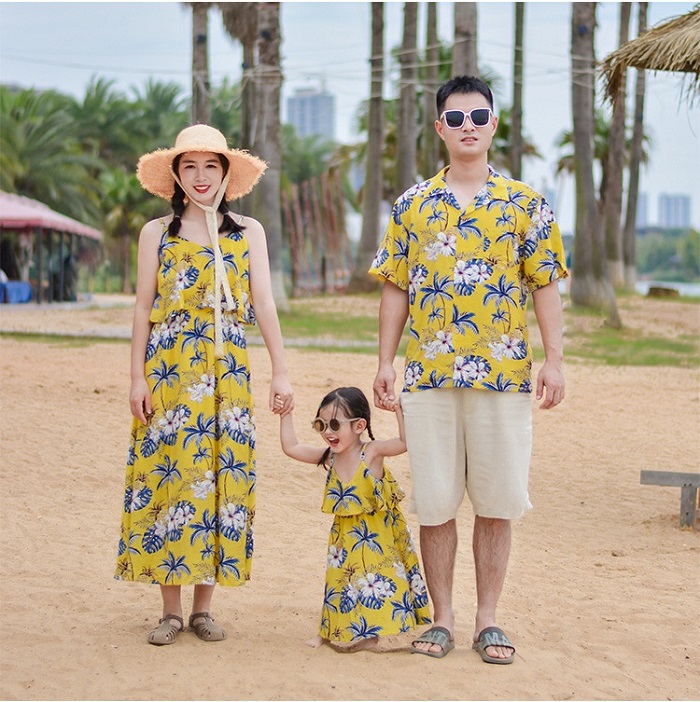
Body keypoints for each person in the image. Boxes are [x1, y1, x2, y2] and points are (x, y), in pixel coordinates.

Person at [369, 75, 568, 663]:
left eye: (478, 116)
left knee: (497, 502)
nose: (468, 127)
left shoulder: (526, 204)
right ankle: (443, 619)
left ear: (493, 123)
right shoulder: (412, 205)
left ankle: (488, 620)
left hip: (503, 377)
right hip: (428, 377)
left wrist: (555, 360)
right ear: (440, 128)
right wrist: (385, 362)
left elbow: (545, 285)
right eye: (455, 119)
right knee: (434, 503)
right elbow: (395, 288)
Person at [115, 124, 294, 645]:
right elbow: (143, 308)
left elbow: (263, 303)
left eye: (210, 166)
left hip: (227, 370)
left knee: (219, 476)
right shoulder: (156, 233)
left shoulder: (249, 231)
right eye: (189, 166)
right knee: (172, 477)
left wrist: (281, 370)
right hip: (170, 369)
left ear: (225, 173)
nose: (200, 176)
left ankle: (203, 609)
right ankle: (170, 611)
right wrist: (136, 378)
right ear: (175, 174)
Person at [279, 386, 431, 651]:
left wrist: (398, 409)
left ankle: (371, 636)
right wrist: (285, 414)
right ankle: (326, 633)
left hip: (380, 536)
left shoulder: (371, 452)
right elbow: (291, 447)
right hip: (345, 538)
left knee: (380, 581)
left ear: (360, 425)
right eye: (321, 425)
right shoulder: (330, 457)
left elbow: (405, 443)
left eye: (335, 425)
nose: (328, 432)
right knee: (338, 581)